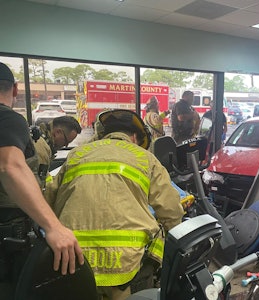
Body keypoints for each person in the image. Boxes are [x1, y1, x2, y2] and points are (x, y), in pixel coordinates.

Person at [45, 109, 184, 300]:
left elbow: (48, 202)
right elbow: (171, 211)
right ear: (134, 136)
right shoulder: (145, 158)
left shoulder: (76, 154)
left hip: (73, 259)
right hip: (126, 264)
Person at [0, 62, 84, 294]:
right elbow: (11, 166)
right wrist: (53, 226)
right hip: (8, 231)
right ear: (16, 90)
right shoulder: (8, 119)